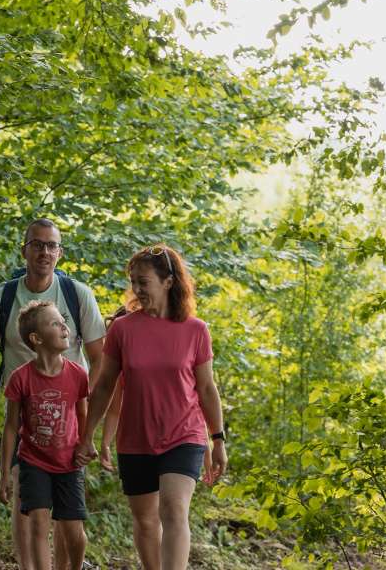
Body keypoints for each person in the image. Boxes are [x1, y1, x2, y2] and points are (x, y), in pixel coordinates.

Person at [0, 218, 105, 570]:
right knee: (25, 502)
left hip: (68, 417)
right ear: (24, 250)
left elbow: (101, 360)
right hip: (24, 413)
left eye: (51, 245)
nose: (44, 251)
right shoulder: (2, 298)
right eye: (37, 244)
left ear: (60, 252)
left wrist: (90, 426)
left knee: (67, 514)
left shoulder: (77, 295)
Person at [75, 244, 228, 570]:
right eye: (133, 282)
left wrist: (218, 439)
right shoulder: (122, 329)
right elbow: (105, 385)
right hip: (136, 439)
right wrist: (88, 435)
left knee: (173, 510)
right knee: (145, 521)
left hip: (184, 435)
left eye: (143, 281)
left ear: (168, 282)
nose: (137, 289)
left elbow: (206, 388)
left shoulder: (196, 330)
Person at [0, 301, 89, 570]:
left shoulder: (78, 375)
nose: (64, 327)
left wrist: (86, 444)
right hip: (33, 461)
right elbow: (11, 427)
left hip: (69, 463)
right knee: (38, 523)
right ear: (36, 339)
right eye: (55, 323)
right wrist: (4, 473)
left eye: (63, 322)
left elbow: (83, 415)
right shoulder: (20, 378)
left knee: (74, 532)